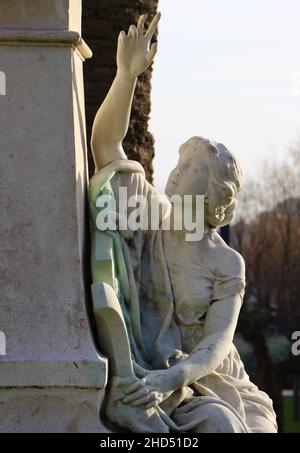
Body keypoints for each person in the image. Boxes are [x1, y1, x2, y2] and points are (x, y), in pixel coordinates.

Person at [89, 13, 277, 433]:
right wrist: (126, 76)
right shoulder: (146, 214)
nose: (176, 171)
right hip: (158, 376)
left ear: (213, 195)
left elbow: (215, 347)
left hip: (213, 381)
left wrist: (169, 379)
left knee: (244, 425)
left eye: (190, 167)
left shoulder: (226, 264)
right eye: (180, 162)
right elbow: (105, 145)